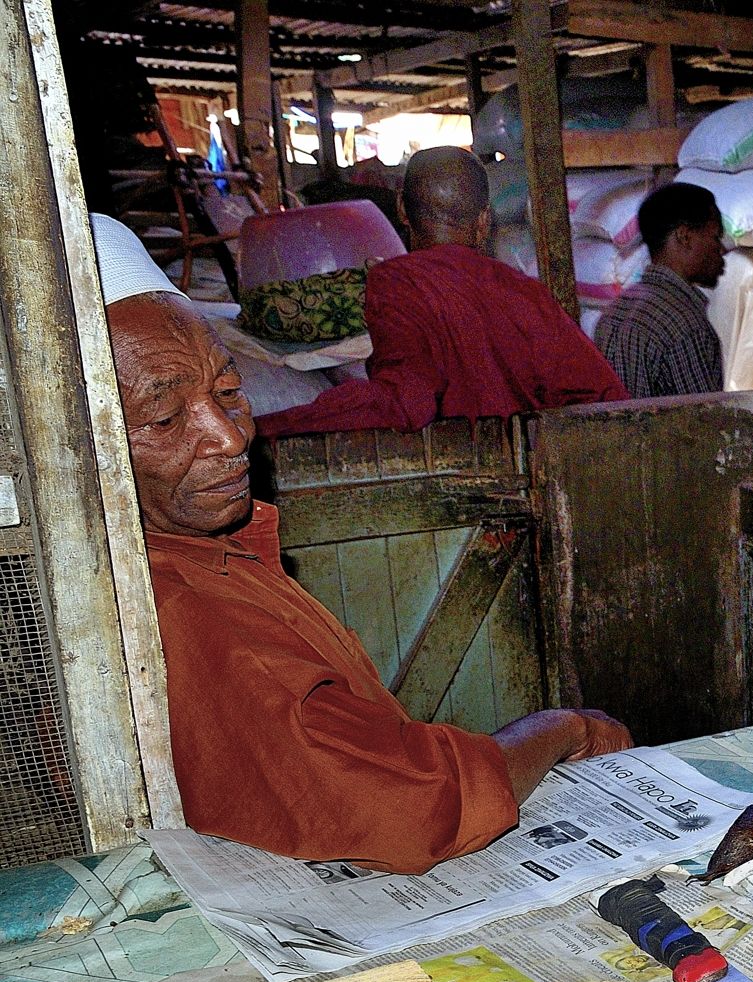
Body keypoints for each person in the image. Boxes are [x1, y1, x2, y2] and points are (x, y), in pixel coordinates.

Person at [90, 214, 632, 873]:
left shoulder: (218, 553)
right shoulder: (176, 611)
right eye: (168, 417)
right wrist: (562, 727)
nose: (230, 439)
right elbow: (408, 805)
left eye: (231, 392)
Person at [257, 147, 625, 439]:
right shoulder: (527, 292)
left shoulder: (395, 282)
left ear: (401, 208)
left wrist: (269, 428)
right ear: (484, 221)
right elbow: (604, 397)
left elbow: (406, 401)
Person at [592, 182, 727, 399]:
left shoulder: (612, 314)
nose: (721, 249)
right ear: (684, 237)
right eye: (715, 236)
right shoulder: (687, 327)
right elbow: (705, 425)